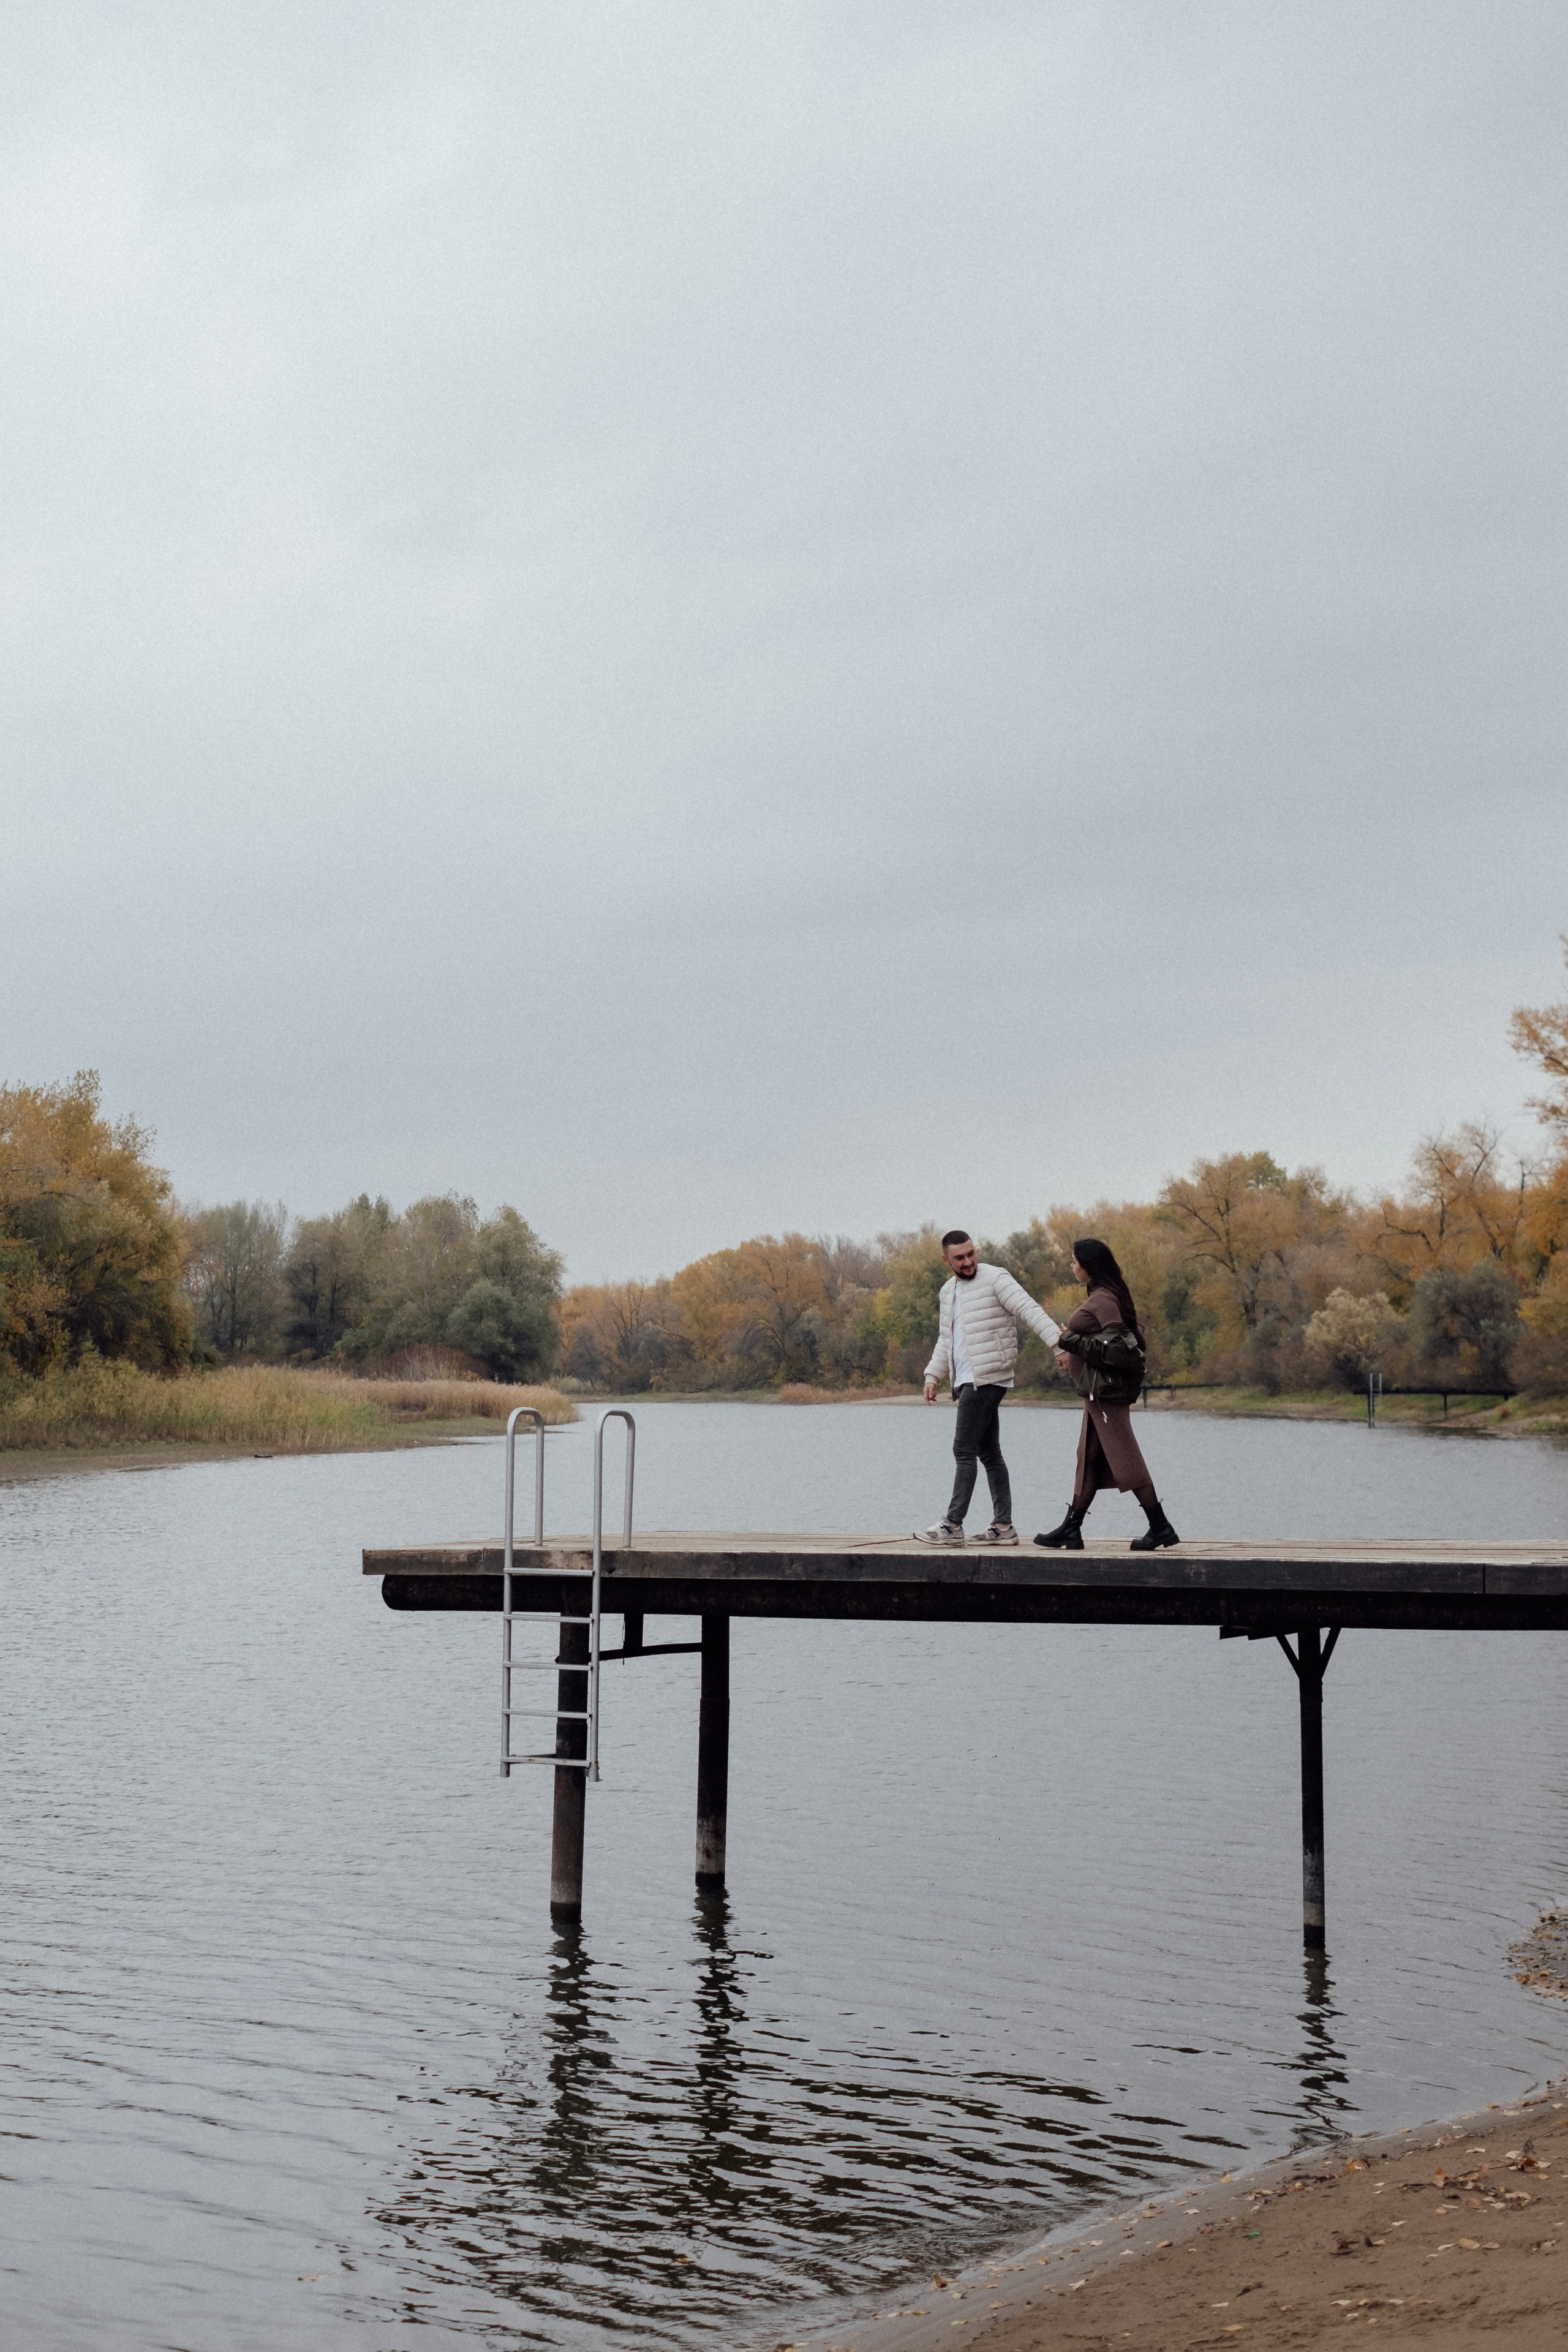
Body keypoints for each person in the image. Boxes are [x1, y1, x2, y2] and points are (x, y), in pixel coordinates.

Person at [916, 1230, 1061, 1547]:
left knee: (962, 1449)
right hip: (965, 1379)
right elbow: (947, 1338)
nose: (968, 1261)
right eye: (959, 1257)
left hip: (989, 1376)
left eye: (971, 1254)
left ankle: (953, 1525)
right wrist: (932, 1375)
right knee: (989, 1452)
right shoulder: (947, 1292)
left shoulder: (996, 1278)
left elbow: (1029, 1309)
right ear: (946, 1260)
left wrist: (1057, 1344)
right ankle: (1004, 1526)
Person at [1035, 1237, 1179, 1551]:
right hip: (1095, 1394)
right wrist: (1075, 1353)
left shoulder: (1104, 1299)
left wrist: (1069, 1341)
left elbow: (1119, 1349)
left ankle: (1161, 1526)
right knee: (1088, 1458)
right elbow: (1104, 1345)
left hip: (1106, 1396)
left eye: (1074, 1262)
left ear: (1088, 1266)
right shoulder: (1102, 1295)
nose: (1072, 1267)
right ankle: (1071, 1529)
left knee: (1125, 1457)